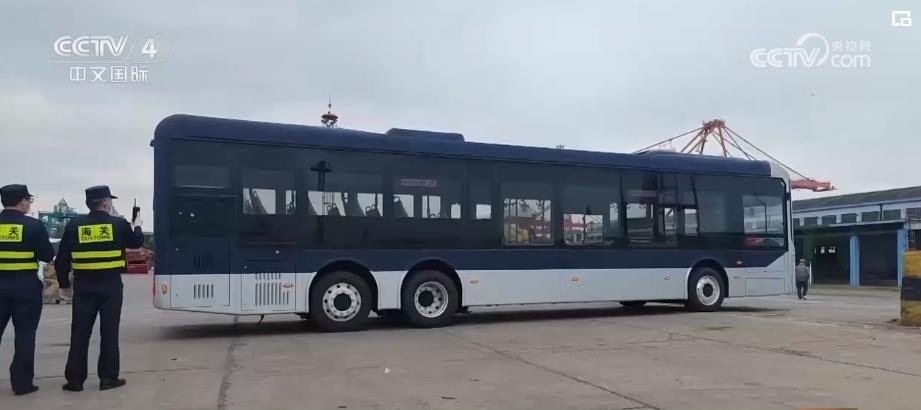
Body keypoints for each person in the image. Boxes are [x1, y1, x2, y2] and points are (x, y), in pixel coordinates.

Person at [55, 186, 144, 392]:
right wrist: (137, 225)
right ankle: (108, 378)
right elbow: (136, 242)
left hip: (84, 287)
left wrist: (64, 285)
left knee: (79, 333)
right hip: (110, 288)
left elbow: (61, 260)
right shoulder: (119, 224)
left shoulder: (74, 225)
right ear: (105, 203)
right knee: (109, 333)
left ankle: (75, 380)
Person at [0, 184, 54, 395]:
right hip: (25, 288)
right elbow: (47, 255)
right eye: (29, 200)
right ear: (22, 202)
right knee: (25, 335)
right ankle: (22, 384)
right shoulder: (33, 226)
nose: (29, 204)